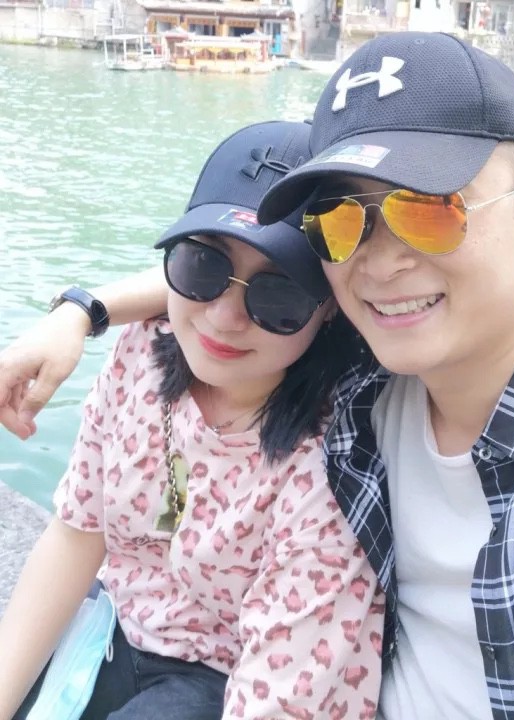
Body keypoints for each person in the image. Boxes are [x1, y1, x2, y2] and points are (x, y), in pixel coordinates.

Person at [2, 32, 514, 719]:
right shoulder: (368, 372)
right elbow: (222, 293)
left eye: (430, 210)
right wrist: (82, 310)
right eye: (341, 221)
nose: (380, 260)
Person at [0, 121, 384, 720]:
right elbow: (79, 532)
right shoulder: (142, 354)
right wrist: (80, 310)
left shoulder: (332, 464)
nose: (224, 317)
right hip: (116, 620)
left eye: (278, 295)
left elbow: (280, 694)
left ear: (331, 305)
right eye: (203, 267)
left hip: (223, 673)